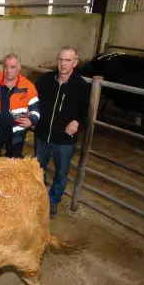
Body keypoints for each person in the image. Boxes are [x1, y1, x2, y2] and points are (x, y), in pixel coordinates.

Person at [34, 45, 90, 218]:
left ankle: (53, 201)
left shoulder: (81, 86)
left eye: (68, 60)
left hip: (65, 140)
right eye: (60, 59)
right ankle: (39, 198)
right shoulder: (45, 80)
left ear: (75, 63)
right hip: (43, 135)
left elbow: (88, 110)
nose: (63, 64)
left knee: (61, 172)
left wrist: (77, 121)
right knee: (38, 170)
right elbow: (32, 100)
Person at [0, 53, 40, 158]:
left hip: (16, 133)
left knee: (13, 162)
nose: (8, 70)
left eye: (12, 67)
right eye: (6, 67)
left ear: (19, 68)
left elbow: (35, 109)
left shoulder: (28, 87)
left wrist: (31, 120)